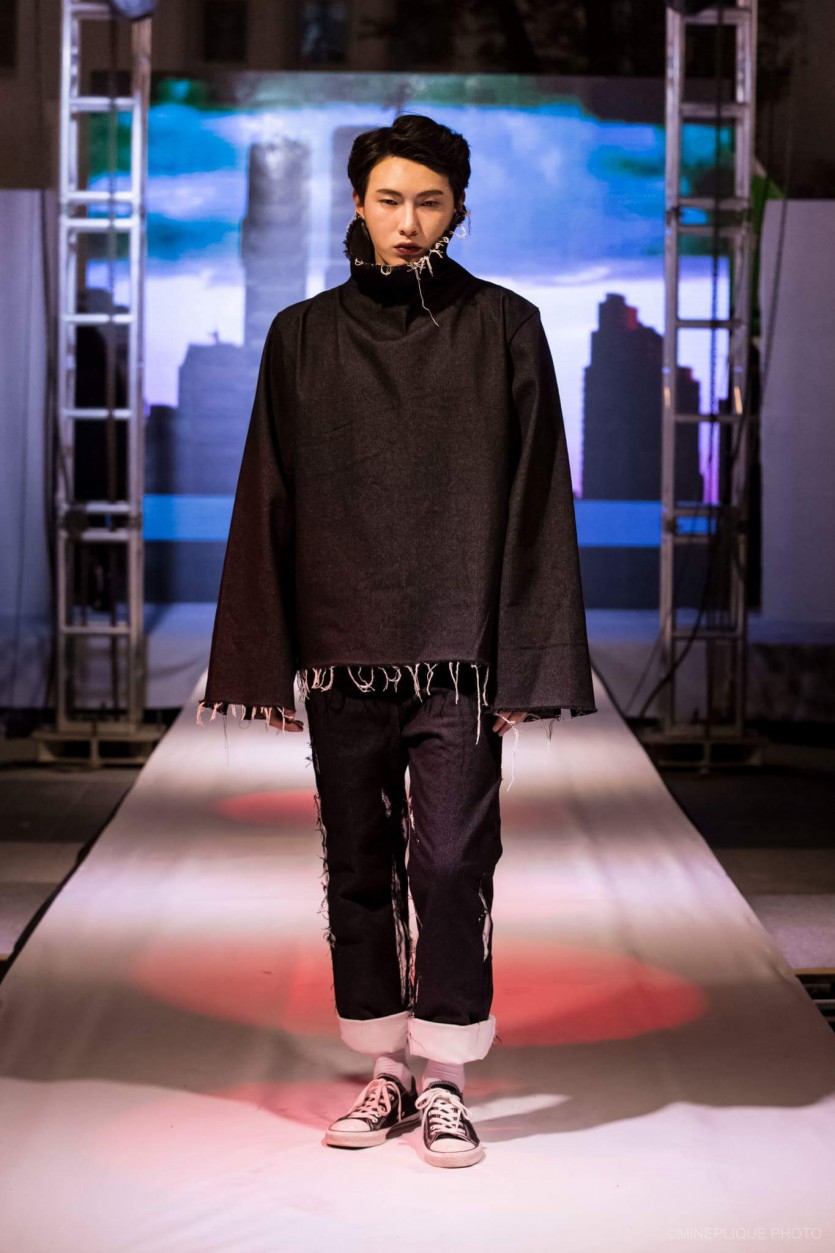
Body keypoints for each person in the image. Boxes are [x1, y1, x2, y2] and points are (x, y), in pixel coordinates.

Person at [198, 113, 596, 1169]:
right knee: (358, 859)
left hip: (460, 650)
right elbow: (268, 493)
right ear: (358, 205)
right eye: (389, 199)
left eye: (428, 201)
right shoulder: (301, 335)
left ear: (458, 208)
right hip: (343, 639)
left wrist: (528, 660)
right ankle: (386, 1064)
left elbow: (536, 499)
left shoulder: (504, 326)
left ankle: (447, 1072)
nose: (408, 221)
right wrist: (265, 656)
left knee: (455, 858)